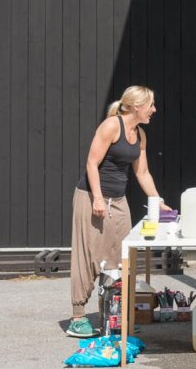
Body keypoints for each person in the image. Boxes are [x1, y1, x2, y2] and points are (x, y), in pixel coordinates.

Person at [67, 86, 170, 338]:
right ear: (137, 106)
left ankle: (112, 316)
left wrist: (158, 201)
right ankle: (78, 317)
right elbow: (92, 163)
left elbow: (142, 172)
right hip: (91, 196)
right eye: (151, 105)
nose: (154, 110)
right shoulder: (111, 126)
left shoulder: (140, 134)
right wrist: (97, 199)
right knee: (88, 254)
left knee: (121, 253)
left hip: (118, 200)